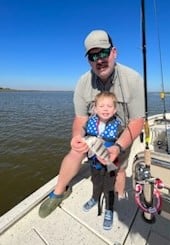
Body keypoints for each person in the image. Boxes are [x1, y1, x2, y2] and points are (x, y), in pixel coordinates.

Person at [39, 29, 145, 219]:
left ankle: (116, 199)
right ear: (89, 60)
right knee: (75, 151)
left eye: (103, 52)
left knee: (118, 168)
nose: (99, 60)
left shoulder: (133, 79)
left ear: (114, 52)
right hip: (93, 134)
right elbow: (80, 118)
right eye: (93, 55)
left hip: (121, 135)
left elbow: (137, 120)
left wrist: (118, 146)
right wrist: (76, 137)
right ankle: (59, 192)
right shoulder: (82, 83)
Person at [82, 91, 122, 230]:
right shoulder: (91, 121)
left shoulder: (118, 125)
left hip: (109, 161)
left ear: (115, 109)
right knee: (96, 181)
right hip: (94, 163)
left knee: (109, 187)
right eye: (101, 106)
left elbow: (122, 144)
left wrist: (116, 151)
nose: (105, 109)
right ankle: (94, 198)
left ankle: (109, 209)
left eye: (109, 106)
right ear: (95, 108)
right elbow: (86, 139)